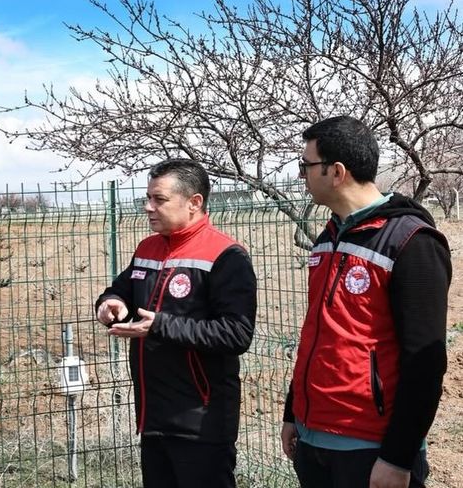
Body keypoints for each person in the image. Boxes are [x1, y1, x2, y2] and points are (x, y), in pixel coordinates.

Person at [280, 116, 451, 488]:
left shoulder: (411, 242)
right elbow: (317, 332)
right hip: (313, 439)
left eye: (305, 166)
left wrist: (397, 457)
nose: (301, 175)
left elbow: (426, 362)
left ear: (336, 171)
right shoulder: (327, 238)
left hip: (370, 449)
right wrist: (294, 410)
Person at [95, 158, 257, 488]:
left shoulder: (226, 256)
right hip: (153, 415)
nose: (148, 207)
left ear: (194, 202)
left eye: (159, 199)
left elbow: (237, 333)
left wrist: (159, 326)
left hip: (201, 421)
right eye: (147, 198)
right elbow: (123, 288)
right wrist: (111, 302)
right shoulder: (147, 248)